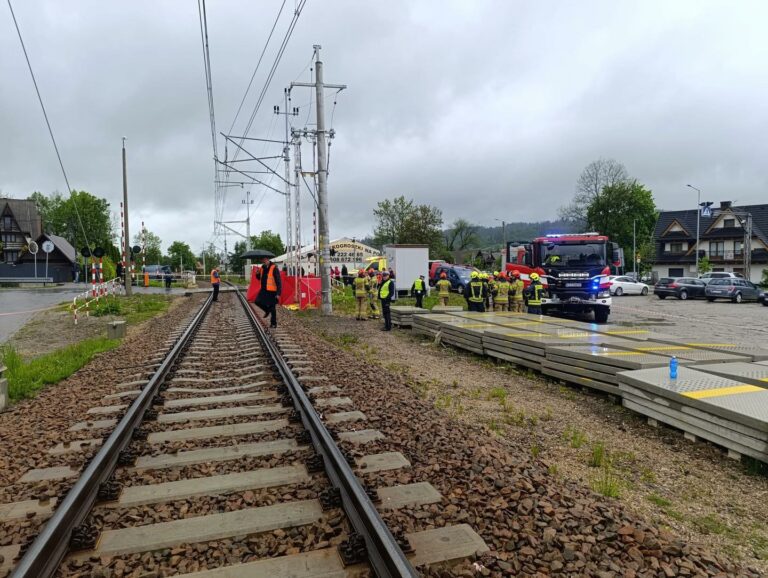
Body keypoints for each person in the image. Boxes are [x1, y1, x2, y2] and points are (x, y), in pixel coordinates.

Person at [255, 256, 282, 327]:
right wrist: (257, 274)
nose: (262, 262)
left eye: (263, 260)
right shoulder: (262, 267)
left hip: (272, 291)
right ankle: (267, 310)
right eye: (262, 261)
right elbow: (259, 278)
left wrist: (278, 293)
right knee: (257, 301)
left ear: (267, 259)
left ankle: (273, 323)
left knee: (272, 307)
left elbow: (278, 281)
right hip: (263, 289)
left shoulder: (274, 268)